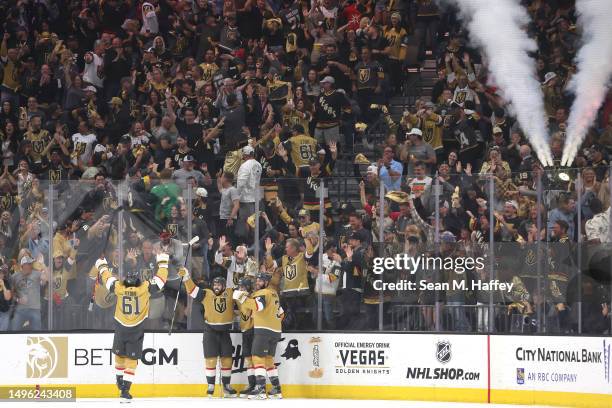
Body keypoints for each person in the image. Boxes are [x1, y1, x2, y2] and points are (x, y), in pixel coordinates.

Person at [94, 251, 170, 401]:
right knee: (132, 361)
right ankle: (125, 390)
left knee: (119, 356)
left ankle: (119, 379)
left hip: (120, 328)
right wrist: (163, 263)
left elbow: (107, 278)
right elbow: (160, 281)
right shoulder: (144, 288)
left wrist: (102, 266)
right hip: (136, 330)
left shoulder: (119, 288)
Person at [181, 272, 237, 398]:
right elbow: (192, 290)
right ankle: (211, 387)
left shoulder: (230, 292)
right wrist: (186, 278)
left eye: (219, 284)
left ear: (223, 286)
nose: (216, 286)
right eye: (215, 284)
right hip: (210, 331)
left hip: (225, 333)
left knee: (227, 360)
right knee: (210, 360)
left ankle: (227, 386)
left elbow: (244, 293)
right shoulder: (206, 293)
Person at [233, 272, 283, 400]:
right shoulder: (274, 294)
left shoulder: (263, 293)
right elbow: (282, 314)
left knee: (257, 358)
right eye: (257, 280)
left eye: (260, 281)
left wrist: (242, 297)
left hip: (263, 330)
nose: (257, 283)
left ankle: (260, 389)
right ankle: (276, 390)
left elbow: (257, 306)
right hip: (276, 331)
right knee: (269, 359)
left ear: (266, 282)